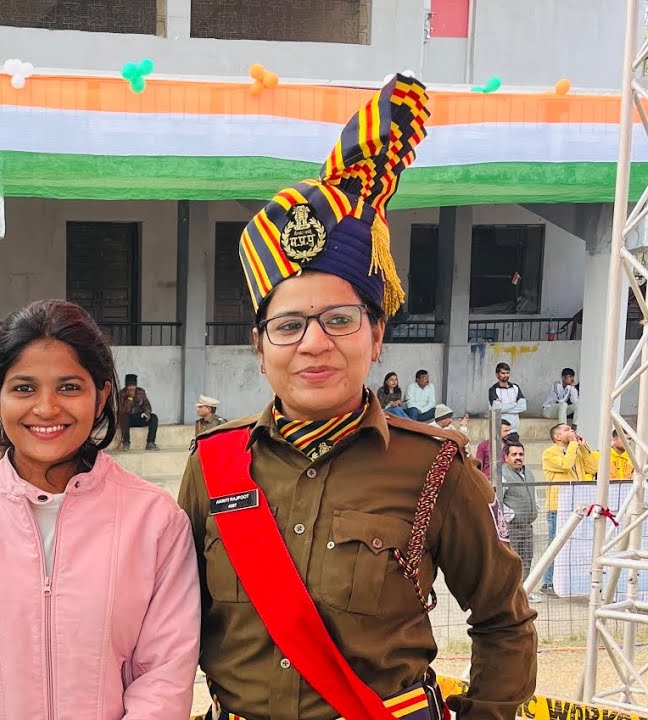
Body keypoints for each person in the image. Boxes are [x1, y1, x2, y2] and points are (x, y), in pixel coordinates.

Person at [178, 74, 536, 720]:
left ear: (376, 335)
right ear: (260, 347)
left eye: (339, 319)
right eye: (288, 326)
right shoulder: (213, 464)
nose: (313, 343)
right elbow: (168, 622)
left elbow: (503, 619)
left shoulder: (437, 468)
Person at [0, 298, 200, 718]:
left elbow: (163, 676)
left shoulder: (156, 521)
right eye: (24, 388)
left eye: (69, 387)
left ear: (100, 397)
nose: (46, 408)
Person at [540, 422, 597, 595]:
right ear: (557, 436)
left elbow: (593, 468)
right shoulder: (549, 453)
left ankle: (571, 581)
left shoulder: (576, 450)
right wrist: (573, 444)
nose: (571, 432)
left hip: (578, 504)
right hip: (558, 505)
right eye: (566, 430)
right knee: (556, 543)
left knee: (578, 545)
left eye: (572, 430)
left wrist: (585, 447)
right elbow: (565, 464)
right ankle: (548, 583)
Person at [498, 442, 540, 586]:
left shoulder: (528, 472)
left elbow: (534, 493)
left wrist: (535, 509)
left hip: (527, 527)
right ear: (506, 457)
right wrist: (512, 516)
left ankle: (522, 592)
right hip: (511, 529)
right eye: (514, 454)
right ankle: (510, 594)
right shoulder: (502, 475)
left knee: (526, 561)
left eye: (521, 454)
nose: (518, 458)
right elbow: (497, 501)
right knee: (511, 562)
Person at [118, 373, 159, 451]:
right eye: (129, 385)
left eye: (133, 385)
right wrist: (130, 398)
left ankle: (150, 443)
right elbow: (123, 410)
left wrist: (147, 413)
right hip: (128, 419)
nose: (131, 387)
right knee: (124, 417)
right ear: (126, 386)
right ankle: (126, 442)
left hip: (140, 417)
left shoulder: (141, 392)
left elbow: (147, 404)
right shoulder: (122, 394)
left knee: (154, 417)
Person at [489, 362, 527, 429]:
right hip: (500, 429)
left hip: (514, 429)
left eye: (507, 373)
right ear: (497, 374)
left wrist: (503, 407)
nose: (506, 375)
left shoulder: (515, 387)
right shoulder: (493, 390)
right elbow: (496, 408)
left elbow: (523, 406)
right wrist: (515, 403)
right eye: (503, 373)